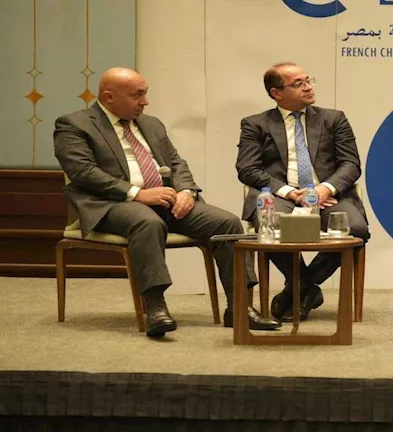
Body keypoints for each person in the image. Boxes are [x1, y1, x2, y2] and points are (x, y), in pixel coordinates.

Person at [54, 67, 280, 338]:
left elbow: (175, 162)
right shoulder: (74, 125)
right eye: (137, 95)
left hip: (165, 201)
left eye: (145, 93)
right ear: (108, 97)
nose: (145, 101)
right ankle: (155, 307)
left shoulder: (151, 124)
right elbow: (83, 172)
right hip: (109, 204)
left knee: (226, 222)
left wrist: (186, 191)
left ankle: (240, 307)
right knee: (147, 223)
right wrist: (136, 193)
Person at [236, 62, 369, 322]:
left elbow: (351, 164)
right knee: (271, 226)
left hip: (328, 195)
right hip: (280, 195)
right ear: (276, 93)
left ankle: (297, 290)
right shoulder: (255, 124)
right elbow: (247, 169)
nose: (308, 87)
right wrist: (289, 192)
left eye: (308, 81)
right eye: (298, 84)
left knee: (356, 229)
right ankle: (306, 290)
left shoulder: (334, 119)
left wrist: (323, 189)